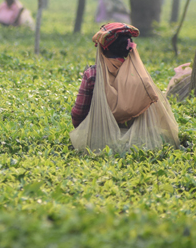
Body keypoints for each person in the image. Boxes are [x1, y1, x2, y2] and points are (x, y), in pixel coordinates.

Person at [70, 22, 179, 154]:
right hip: (138, 145)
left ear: (104, 48)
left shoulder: (93, 74)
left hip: (101, 143)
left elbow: (78, 114)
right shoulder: (140, 76)